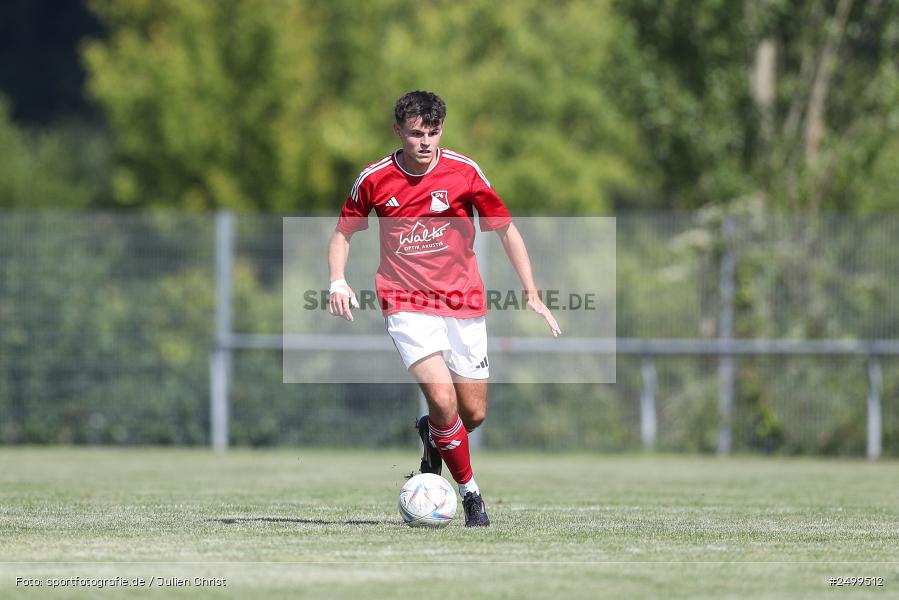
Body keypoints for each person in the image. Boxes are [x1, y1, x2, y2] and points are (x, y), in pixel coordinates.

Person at [327, 90, 560, 527]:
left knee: (472, 413)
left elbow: (506, 230)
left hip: (464, 302)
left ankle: (434, 439)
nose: (425, 142)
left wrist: (531, 291)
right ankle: (472, 496)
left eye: (433, 132)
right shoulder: (375, 179)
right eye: (416, 133)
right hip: (406, 303)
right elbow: (343, 233)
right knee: (441, 398)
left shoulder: (464, 172)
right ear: (398, 131)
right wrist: (337, 279)